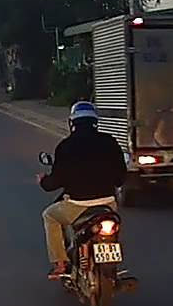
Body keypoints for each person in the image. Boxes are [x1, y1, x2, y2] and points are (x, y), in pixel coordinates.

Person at [37, 101, 127, 280]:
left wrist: (43, 181)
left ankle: (60, 264)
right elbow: (120, 178)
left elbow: (54, 182)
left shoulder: (66, 146)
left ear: (73, 123)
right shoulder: (110, 142)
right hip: (108, 204)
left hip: (77, 205)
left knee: (50, 216)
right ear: (95, 122)